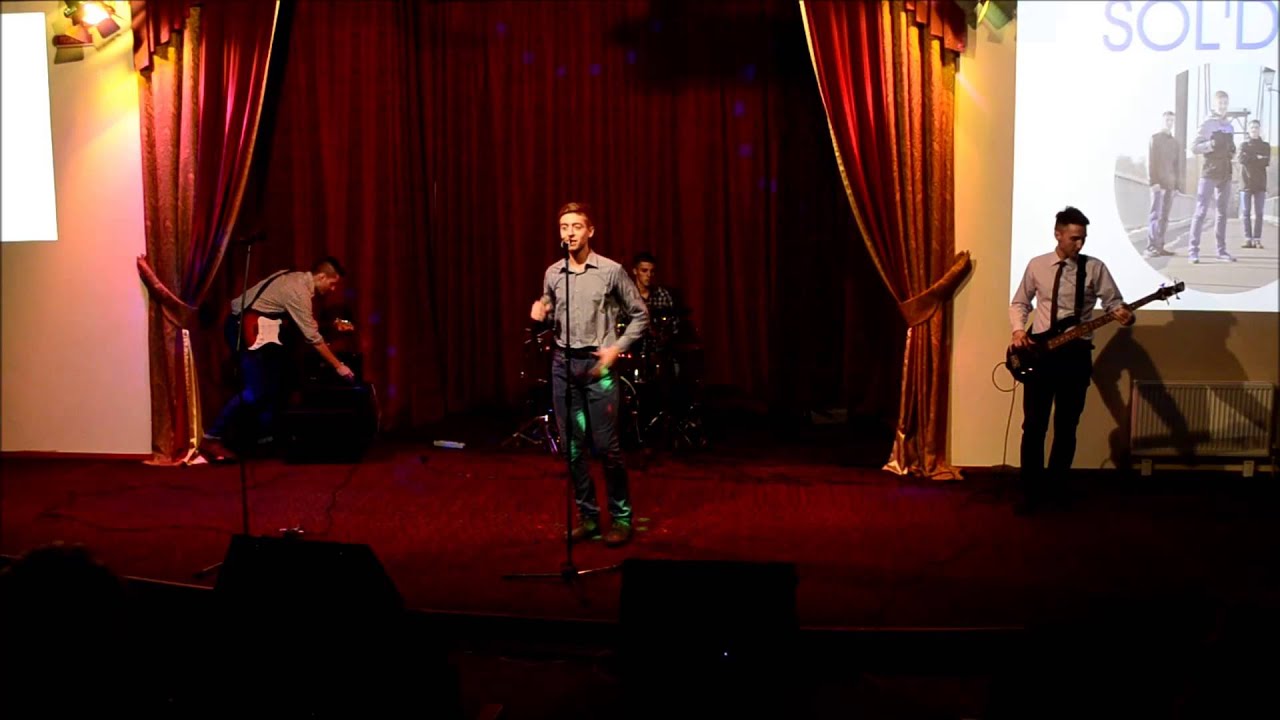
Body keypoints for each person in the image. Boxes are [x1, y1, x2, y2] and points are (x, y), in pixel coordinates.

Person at [530, 202, 648, 546]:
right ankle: (589, 517)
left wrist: (616, 348)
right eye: (564, 227)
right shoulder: (554, 273)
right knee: (571, 448)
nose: (569, 233)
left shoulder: (610, 271)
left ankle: (621, 517)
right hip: (563, 365)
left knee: (607, 447)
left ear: (590, 231)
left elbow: (640, 314)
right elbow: (551, 309)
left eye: (576, 226)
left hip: (598, 368)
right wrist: (542, 312)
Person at [1009, 206, 1134, 513]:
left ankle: (1057, 490)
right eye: (1074, 238)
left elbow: (1115, 304)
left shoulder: (1095, 268)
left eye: (1083, 238)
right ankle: (1031, 492)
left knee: (1067, 427)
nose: (1080, 244)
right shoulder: (1037, 265)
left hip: (1076, 355)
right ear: (1058, 234)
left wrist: (1124, 316)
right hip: (1041, 353)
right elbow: (1020, 302)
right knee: (1034, 426)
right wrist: (1018, 331)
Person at [200, 256, 355, 461]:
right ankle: (212, 438)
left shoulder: (293, 277)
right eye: (332, 284)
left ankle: (265, 438)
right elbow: (312, 337)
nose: (333, 289)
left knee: (275, 384)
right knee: (254, 392)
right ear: (321, 277)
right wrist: (338, 366)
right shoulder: (298, 292)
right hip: (244, 329)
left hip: (250, 327)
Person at [1188, 90, 1238, 263]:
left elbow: (1230, 149)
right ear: (1215, 105)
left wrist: (1232, 151)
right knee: (1201, 211)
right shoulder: (1207, 123)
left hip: (1225, 172)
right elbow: (1194, 147)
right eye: (1220, 103)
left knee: (1222, 213)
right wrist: (1210, 144)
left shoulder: (1230, 126)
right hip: (1209, 172)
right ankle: (1193, 251)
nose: (1223, 106)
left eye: (1225, 103)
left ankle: (1221, 251)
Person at [1145, 111, 1180, 258]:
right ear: (1162, 121)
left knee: (1165, 217)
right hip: (1158, 184)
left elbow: (1176, 165)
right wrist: (1153, 182)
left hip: (1170, 185)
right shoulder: (1155, 139)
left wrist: (1176, 186)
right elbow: (1150, 161)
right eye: (1167, 120)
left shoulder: (1175, 143)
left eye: (1172, 120)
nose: (1169, 123)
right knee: (1155, 215)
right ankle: (1151, 247)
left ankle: (1160, 246)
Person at [1239, 118, 1270, 249]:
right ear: (1248, 130)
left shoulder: (1265, 146)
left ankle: (1257, 239)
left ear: (1260, 130)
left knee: (1259, 213)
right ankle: (1248, 239)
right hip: (1245, 183)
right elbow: (1241, 159)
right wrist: (1257, 157)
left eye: (1256, 128)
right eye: (1252, 128)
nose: (1254, 130)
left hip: (1260, 184)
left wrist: (1250, 158)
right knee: (1246, 212)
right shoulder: (1243, 145)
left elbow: (1266, 162)